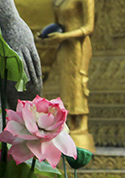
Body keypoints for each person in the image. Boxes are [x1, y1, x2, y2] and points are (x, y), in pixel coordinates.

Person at [39, 0, 94, 151]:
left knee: (78, 82)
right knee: (66, 85)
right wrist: (47, 34)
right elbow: (58, 25)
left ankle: (82, 123)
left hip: (78, 45)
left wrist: (65, 36)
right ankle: (69, 121)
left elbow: (89, 27)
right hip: (64, 47)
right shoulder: (57, 2)